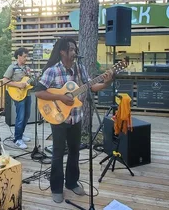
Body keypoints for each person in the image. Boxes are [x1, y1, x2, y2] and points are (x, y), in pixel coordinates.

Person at [35, 37, 113, 203]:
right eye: (71, 49)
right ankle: (56, 188)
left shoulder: (79, 68)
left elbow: (91, 86)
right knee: (57, 153)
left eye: (75, 49)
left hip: (76, 117)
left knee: (74, 152)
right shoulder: (52, 71)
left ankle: (71, 182)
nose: (74, 52)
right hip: (58, 118)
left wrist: (106, 82)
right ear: (62, 51)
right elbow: (39, 92)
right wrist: (61, 97)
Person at [3, 47, 32, 149]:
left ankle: (21, 134)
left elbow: (28, 81)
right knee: (20, 116)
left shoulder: (27, 68)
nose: (26, 58)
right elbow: (5, 80)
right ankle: (17, 139)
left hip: (27, 94)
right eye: (24, 56)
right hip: (18, 95)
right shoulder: (12, 67)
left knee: (27, 115)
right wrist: (18, 85)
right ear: (19, 56)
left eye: (26, 56)